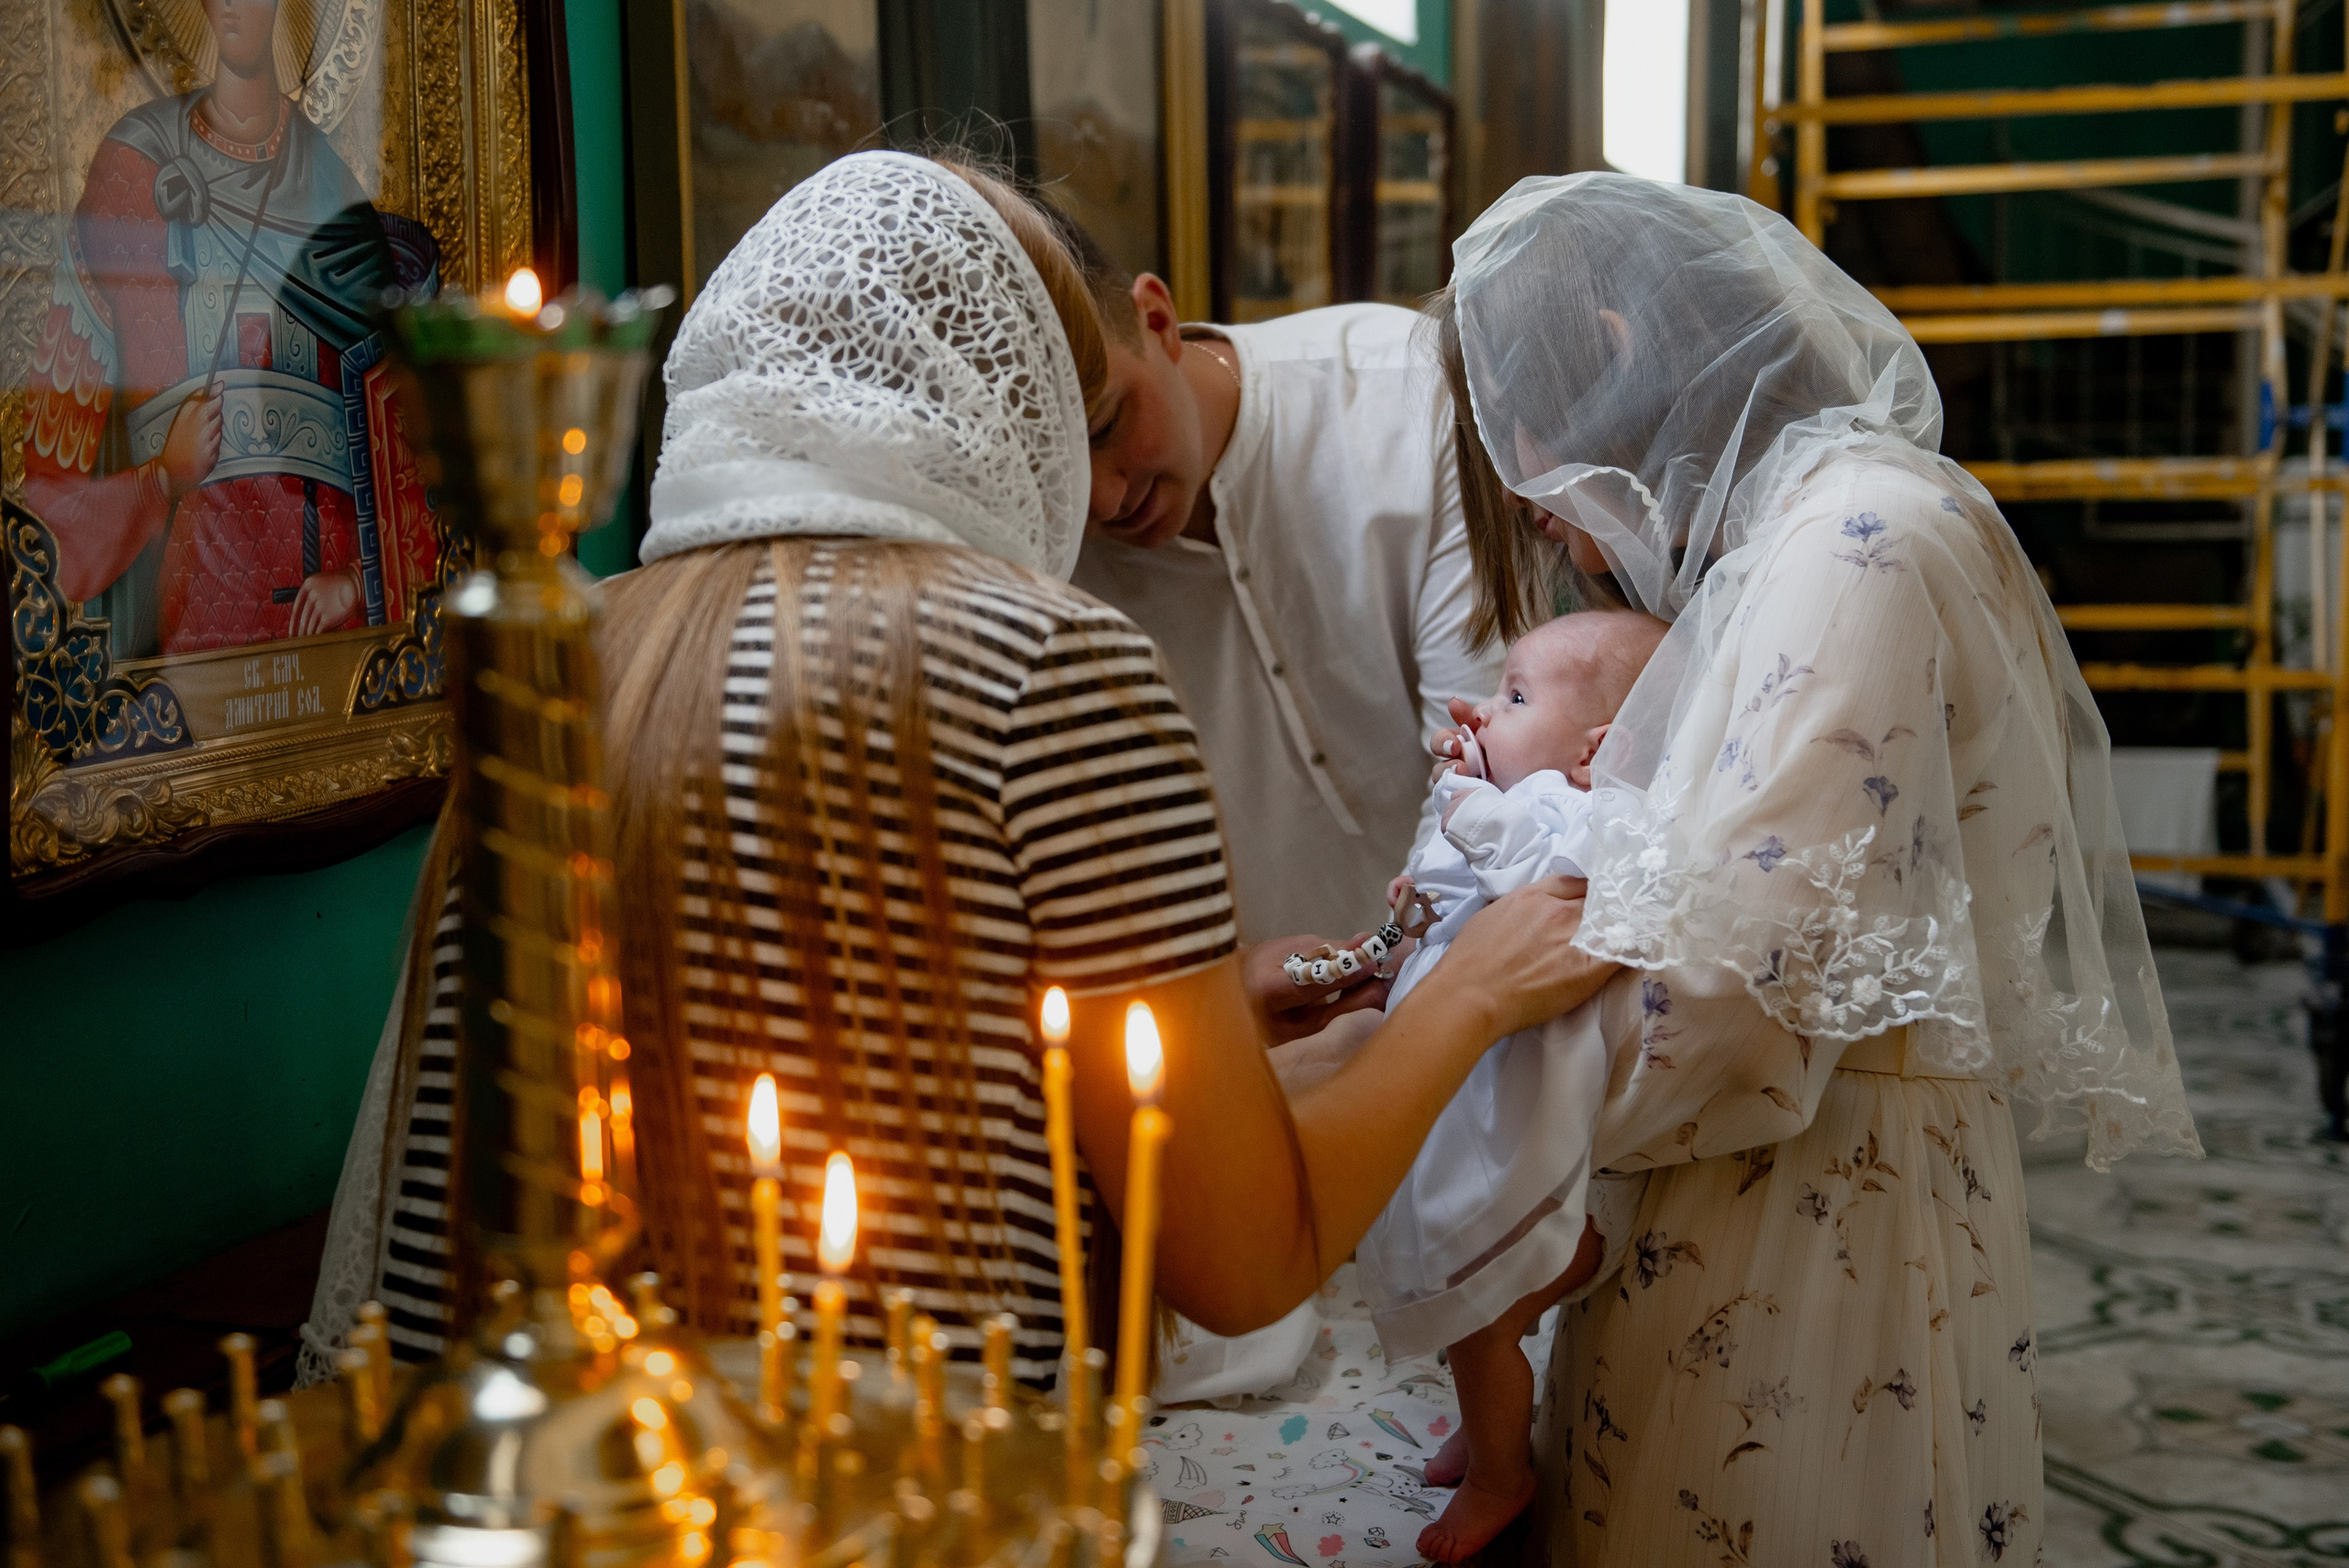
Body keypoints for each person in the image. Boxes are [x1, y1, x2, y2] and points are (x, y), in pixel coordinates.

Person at [301, 152, 1599, 1389]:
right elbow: (1244, 1262)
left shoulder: (577, 646)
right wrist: (1468, 994)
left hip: (590, 1462)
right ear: (1014, 402)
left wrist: (1207, 1035)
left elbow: (851, 1100)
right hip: (909, 1470)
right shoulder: (1052, 661)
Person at [1427, 173, 2200, 1567]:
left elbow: (1734, 1004)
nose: (1537, 513)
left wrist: (1461, 1071)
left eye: (1524, 446)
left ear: (1614, 358)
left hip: (1803, 1223)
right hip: (1773, 1183)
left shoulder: (1857, 551)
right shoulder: (1811, 539)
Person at [1065, 236, 1501, 957]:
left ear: (1157, 320)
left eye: (1108, 425)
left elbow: (1487, 768)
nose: (1104, 497)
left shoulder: (1406, 388)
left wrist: (1404, 987)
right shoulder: (1045, 558)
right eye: (1060, 470)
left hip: (1482, 956)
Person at [1338, 609, 1665, 1562]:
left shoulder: (1590, 818)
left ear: (1595, 749)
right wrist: (1421, 883)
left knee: (1480, 1306)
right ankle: (1488, 1428)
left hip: (1518, 1123)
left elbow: (1520, 861)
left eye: (1515, 696)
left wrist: (1463, 793)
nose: (1482, 709)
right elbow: (1454, 881)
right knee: (1458, 1289)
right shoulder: (1525, 801)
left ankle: (1500, 1473)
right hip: (1469, 1102)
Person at [25, 0, 441, 658]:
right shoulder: (132, 172)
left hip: (325, 637)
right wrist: (160, 477)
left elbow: (408, 448)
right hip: (186, 640)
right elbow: (49, 511)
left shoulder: (331, 190)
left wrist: (361, 580)